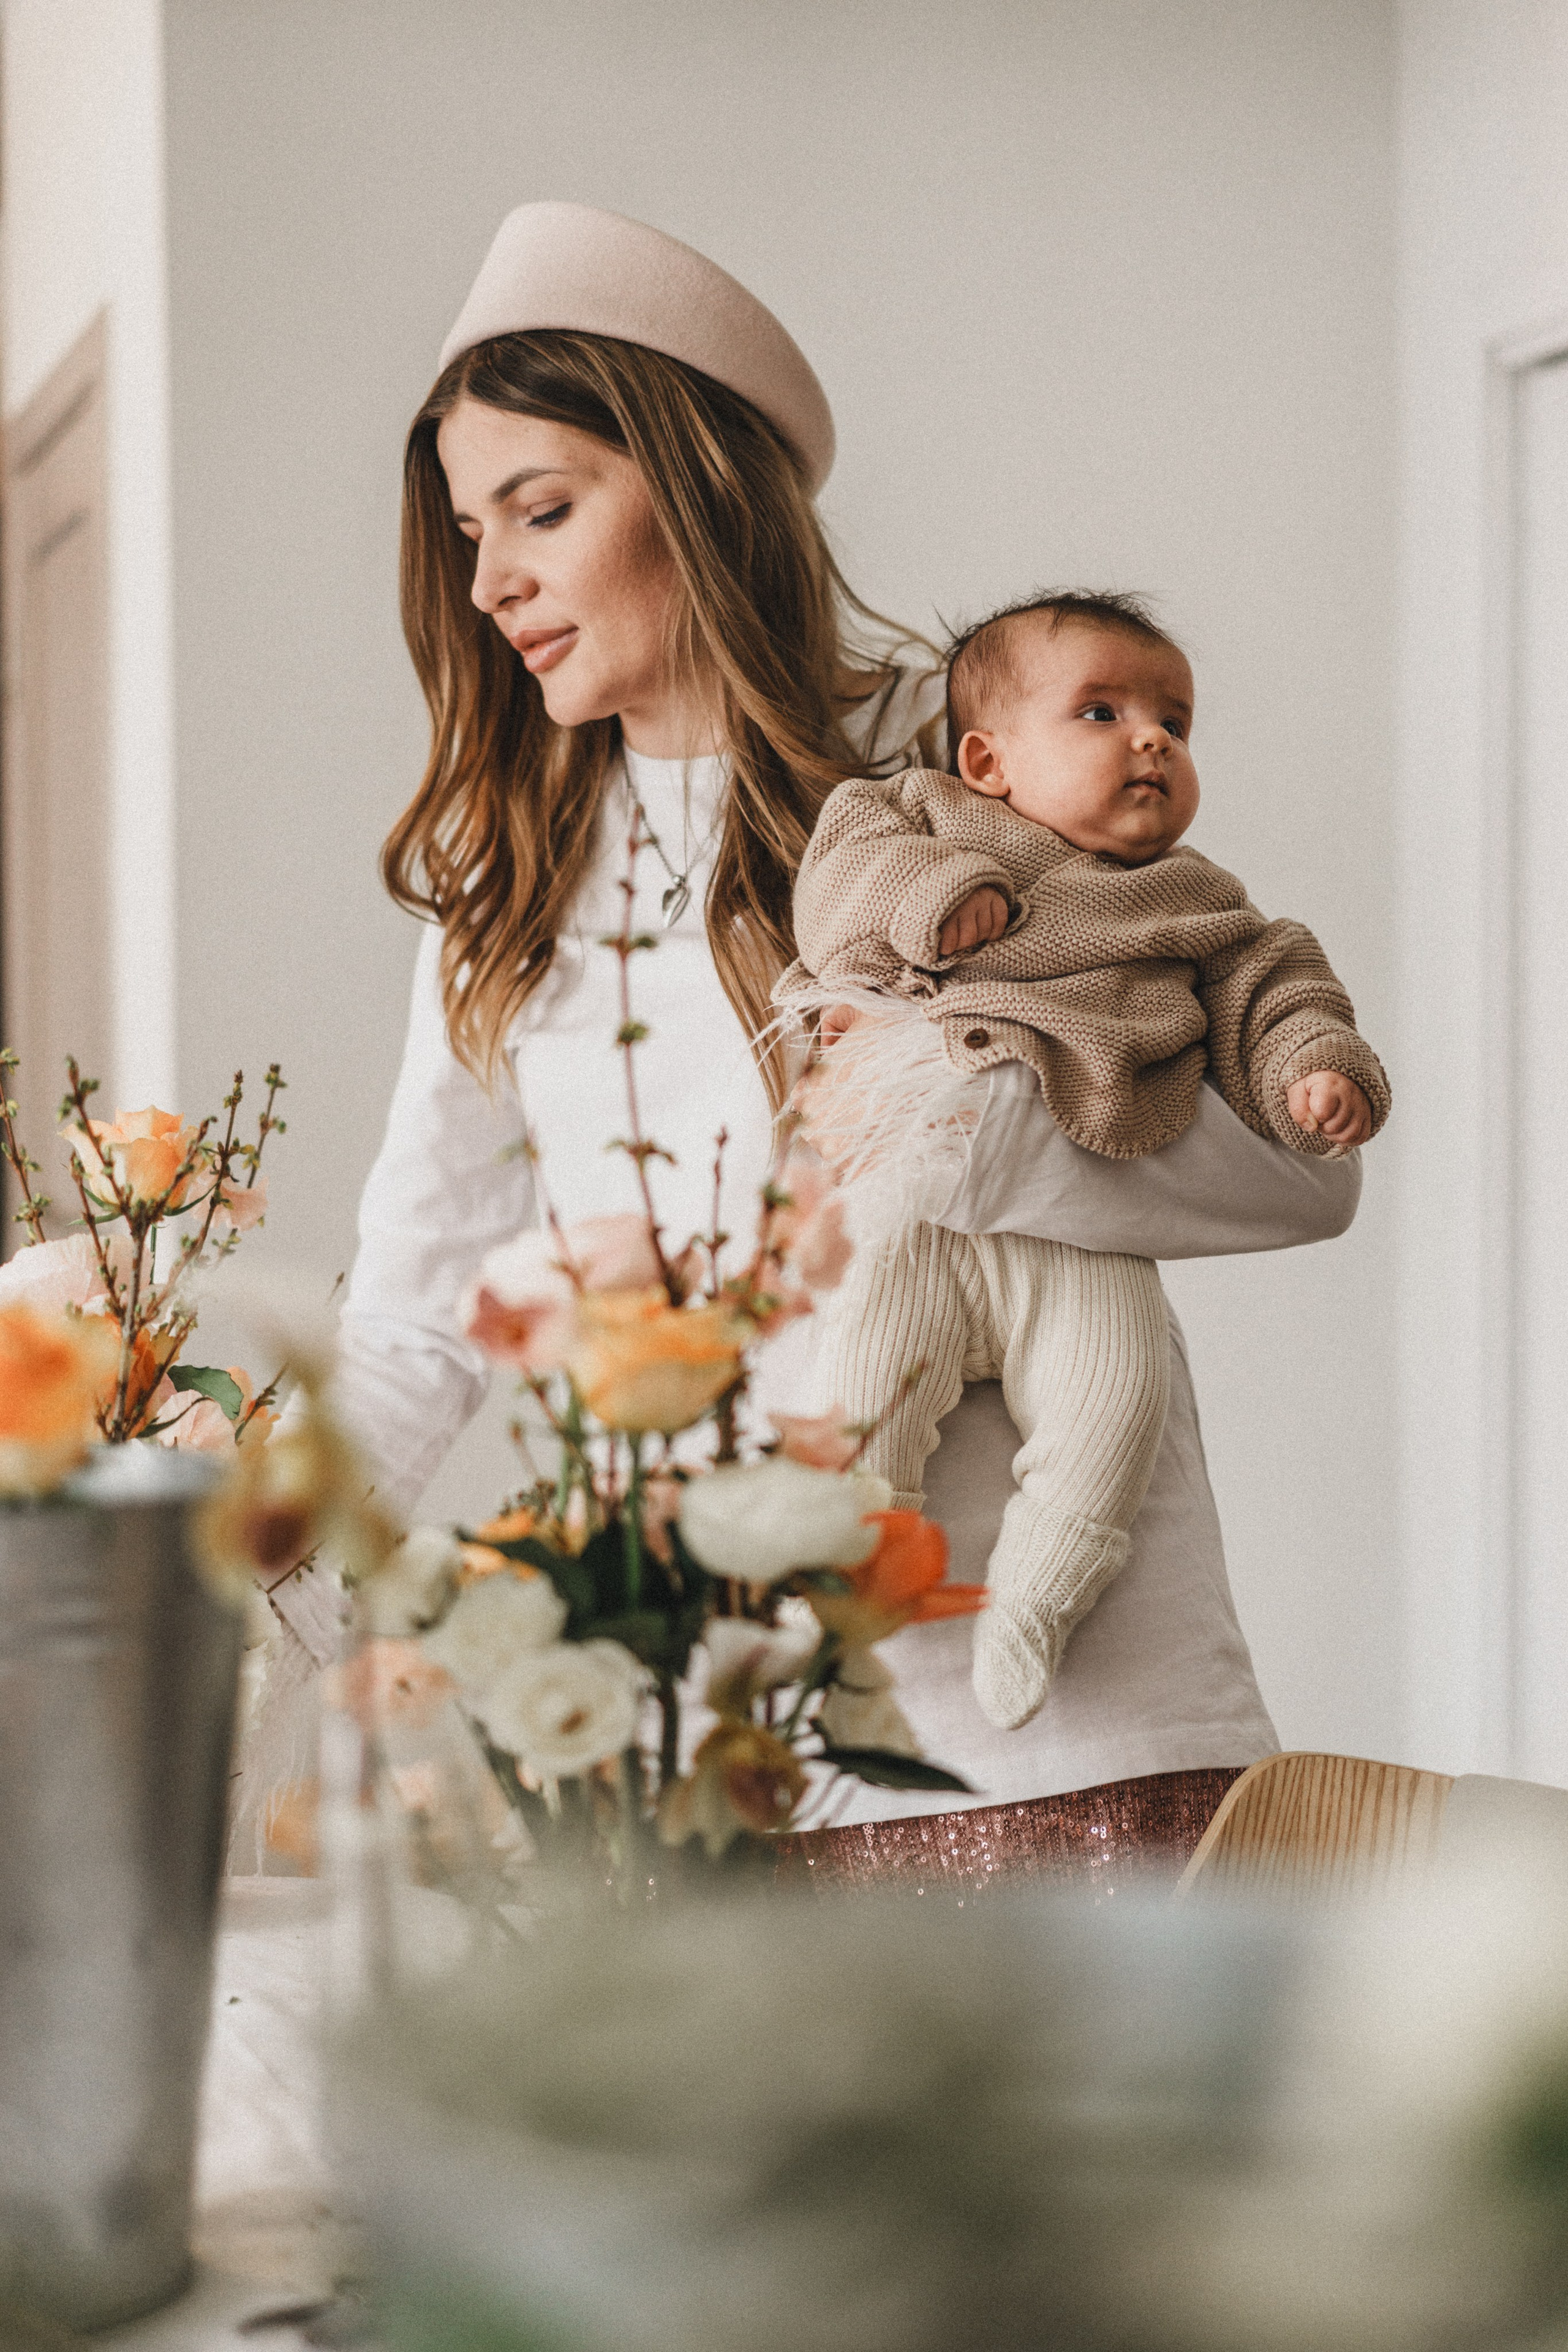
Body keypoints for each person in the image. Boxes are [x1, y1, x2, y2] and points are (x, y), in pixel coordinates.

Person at [322, 200, 1364, 1870]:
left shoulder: (969, 775)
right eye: (466, 530)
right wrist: (210, 1546)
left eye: (542, 508)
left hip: (1059, 1736)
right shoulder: (496, 881)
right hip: (701, 1750)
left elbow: (1308, 1177)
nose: (489, 578)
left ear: (702, 488)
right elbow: (414, 1326)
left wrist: (938, 1134)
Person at [775, 590, 1388, 1735]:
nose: (1151, 738)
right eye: (1101, 711)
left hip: (1090, 1215)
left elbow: (1279, 989)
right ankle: (849, 1573)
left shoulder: (1202, 906)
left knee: (1113, 1409)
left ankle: (1038, 1604)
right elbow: (840, 889)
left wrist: (1315, 1066)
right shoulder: (918, 817)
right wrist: (933, 902)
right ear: (986, 759)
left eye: (1176, 720)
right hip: (920, 1225)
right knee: (868, 1379)